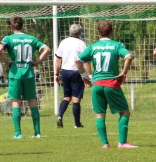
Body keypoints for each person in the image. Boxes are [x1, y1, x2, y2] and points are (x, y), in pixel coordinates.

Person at [76, 21, 137, 149]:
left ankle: (105, 144)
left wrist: (84, 76)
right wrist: (123, 72)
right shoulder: (116, 45)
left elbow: (77, 60)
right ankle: (122, 142)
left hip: (97, 84)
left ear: (98, 32)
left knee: (100, 115)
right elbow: (129, 56)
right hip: (111, 84)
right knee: (125, 112)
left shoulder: (92, 47)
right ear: (112, 31)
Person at [0, 17, 50, 139]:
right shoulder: (31, 39)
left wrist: (6, 62)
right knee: (32, 101)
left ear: (11, 27)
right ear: (22, 26)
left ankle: (18, 133)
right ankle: (37, 133)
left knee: (16, 102)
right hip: (29, 74)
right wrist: (37, 61)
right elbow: (47, 49)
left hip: (15, 73)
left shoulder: (8, 38)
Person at [55, 23, 87, 128]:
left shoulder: (63, 42)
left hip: (64, 71)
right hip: (76, 72)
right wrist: (86, 75)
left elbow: (58, 59)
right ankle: (77, 124)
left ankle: (60, 116)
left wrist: (56, 73)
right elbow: (85, 61)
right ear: (80, 32)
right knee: (76, 99)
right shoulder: (81, 43)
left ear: (70, 32)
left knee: (66, 97)